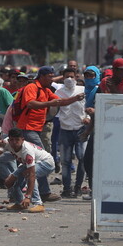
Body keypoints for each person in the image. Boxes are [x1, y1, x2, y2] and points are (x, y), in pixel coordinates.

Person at [16, 65, 84, 202]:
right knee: (44, 159)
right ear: (42, 76)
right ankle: (43, 191)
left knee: (34, 160)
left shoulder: (46, 90)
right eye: (50, 76)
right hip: (27, 128)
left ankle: (17, 188)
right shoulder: (32, 87)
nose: (52, 79)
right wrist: (48, 103)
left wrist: (75, 99)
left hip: (35, 129)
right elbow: (30, 104)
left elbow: (59, 102)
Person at [0, 128, 54, 213]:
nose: (14, 142)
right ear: (9, 140)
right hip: (26, 164)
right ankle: (19, 203)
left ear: (22, 140)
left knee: (27, 175)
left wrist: (28, 196)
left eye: (17, 140)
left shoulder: (27, 150)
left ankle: (38, 203)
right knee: (10, 181)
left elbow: (32, 175)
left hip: (46, 163)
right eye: (12, 140)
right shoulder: (6, 143)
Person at [55, 68, 87, 198]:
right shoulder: (58, 92)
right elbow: (56, 107)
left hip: (80, 129)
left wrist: (88, 119)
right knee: (65, 161)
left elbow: (88, 106)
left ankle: (78, 186)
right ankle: (67, 188)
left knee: (82, 159)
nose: (69, 79)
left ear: (76, 77)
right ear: (62, 78)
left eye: (72, 77)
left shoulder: (82, 90)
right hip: (65, 130)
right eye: (67, 77)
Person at [80, 65, 101, 200]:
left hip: (102, 130)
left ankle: (97, 191)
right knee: (88, 161)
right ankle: (95, 190)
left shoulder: (99, 90)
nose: (88, 78)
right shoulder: (87, 91)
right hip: (94, 129)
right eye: (86, 75)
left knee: (90, 161)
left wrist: (95, 111)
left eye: (91, 75)